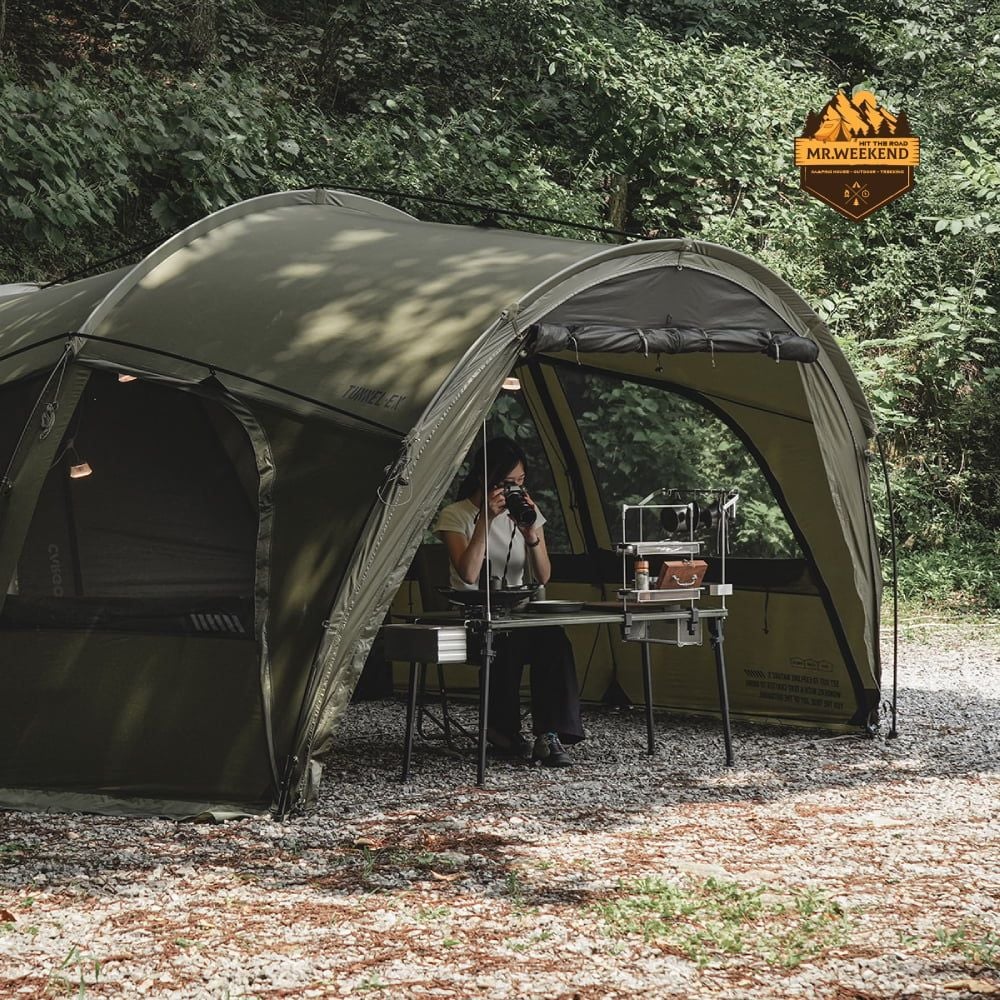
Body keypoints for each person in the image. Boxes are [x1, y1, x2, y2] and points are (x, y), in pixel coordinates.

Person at [434, 436, 584, 767]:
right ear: (485, 479)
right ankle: (503, 730)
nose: (514, 491)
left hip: (517, 615)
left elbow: (543, 576)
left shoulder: (528, 514)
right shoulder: (456, 515)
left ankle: (550, 733)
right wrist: (486, 520)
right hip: (474, 619)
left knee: (554, 639)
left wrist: (531, 535)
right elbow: (469, 574)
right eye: (507, 484)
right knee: (508, 639)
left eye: (520, 483)